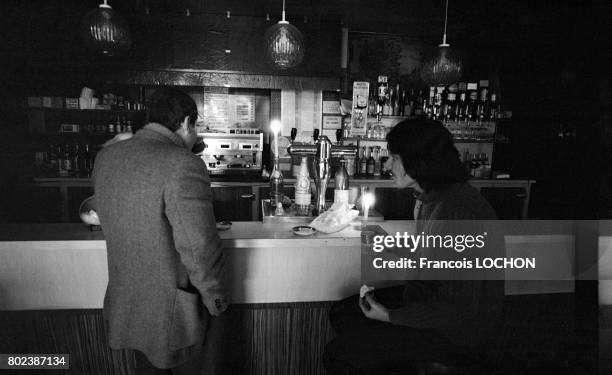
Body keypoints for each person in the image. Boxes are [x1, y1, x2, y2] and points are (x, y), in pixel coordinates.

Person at [323, 119, 504, 374]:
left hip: (457, 335)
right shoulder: (428, 198)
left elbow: (460, 308)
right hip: (429, 303)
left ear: (419, 161)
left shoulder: (457, 211)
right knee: (343, 314)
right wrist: (389, 243)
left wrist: (390, 316)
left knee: (340, 354)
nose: (387, 165)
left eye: (394, 157)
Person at [93, 88, 227, 374]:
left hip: (127, 308)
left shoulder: (106, 158)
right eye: (196, 127)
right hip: (174, 316)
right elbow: (198, 246)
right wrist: (216, 299)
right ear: (186, 123)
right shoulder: (183, 164)